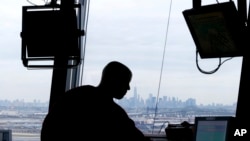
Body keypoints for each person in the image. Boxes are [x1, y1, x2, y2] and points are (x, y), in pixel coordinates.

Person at [41, 61, 151, 141]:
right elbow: (134, 136)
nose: (128, 88)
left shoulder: (76, 95)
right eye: (126, 82)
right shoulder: (113, 112)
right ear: (114, 80)